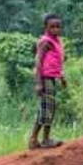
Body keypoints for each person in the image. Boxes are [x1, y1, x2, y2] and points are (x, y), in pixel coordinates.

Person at [27, 14, 66, 150]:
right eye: (52, 27)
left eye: (58, 27)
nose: (56, 29)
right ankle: (43, 139)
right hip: (45, 78)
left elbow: (58, 61)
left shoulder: (57, 41)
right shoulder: (45, 41)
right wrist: (38, 83)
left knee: (48, 108)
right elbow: (38, 62)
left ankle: (37, 139)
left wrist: (62, 76)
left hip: (52, 78)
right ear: (46, 27)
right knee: (47, 109)